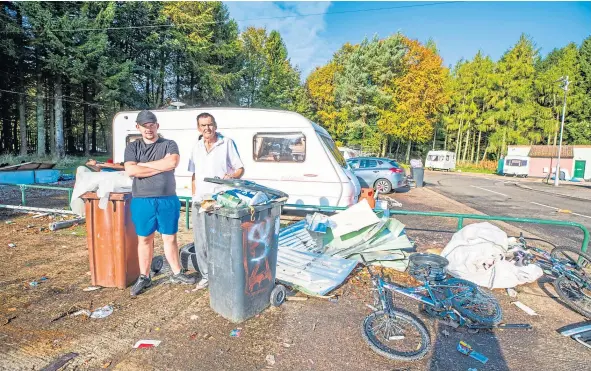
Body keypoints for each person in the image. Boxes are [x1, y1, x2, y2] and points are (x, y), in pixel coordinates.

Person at [124, 110, 196, 296]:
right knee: (144, 239)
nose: (149, 129)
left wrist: (143, 166)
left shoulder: (169, 144)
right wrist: (158, 165)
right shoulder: (133, 147)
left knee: (170, 237)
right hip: (142, 200)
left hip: (167, 199)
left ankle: (177, 273)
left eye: (151, 125)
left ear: (157, 126)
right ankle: (144, 276)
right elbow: (131, 171)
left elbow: (172, 163)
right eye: (144, 126)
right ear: (138, 127)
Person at [188, 112, 244, 290]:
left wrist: (231, 176)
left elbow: (240, 169)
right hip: (200, 201)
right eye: (203, 125)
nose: (207, 128)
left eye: (210, 124)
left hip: (219, 200)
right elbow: (194, 174)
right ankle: (206, 276)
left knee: (221, 240)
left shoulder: (226, 143)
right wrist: (194, 195)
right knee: (201, 241)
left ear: (215, 125)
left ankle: (224, 275)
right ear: (198, 128)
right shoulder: (196, 147)